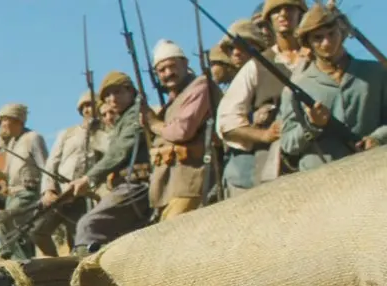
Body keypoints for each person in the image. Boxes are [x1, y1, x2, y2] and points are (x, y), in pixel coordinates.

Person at [278, 5, 387, 172]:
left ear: (341, 33)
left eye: (332, 34)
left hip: (371, 171)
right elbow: (288, 144)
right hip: (319, 178)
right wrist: (312, 125)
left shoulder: (376, 73)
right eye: (318, 37)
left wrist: (377, 138)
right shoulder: (297, 87)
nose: (327, 42)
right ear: (308, 42)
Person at [220, 0, 314, 188]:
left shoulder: (319, 56)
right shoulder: (256, 66)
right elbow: (227, 121)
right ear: (269, 19)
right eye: (276, 10)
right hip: (273, 164)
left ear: (301, 14)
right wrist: (264, 135)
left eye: (289, 8)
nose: (283, 14)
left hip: (317, 155)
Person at [68, 71, 153, 253]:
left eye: (117, 92)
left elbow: (119, 152)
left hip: (137, 186)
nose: (112, 99)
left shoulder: (136, 114)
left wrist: (88, 178)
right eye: (107, 95)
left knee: (88, 226)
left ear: (130, 91)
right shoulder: (123, 118)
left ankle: (87, 268)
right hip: (124, 185)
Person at [146, 40, 215, 219]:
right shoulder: (173, 99)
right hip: (172, 183)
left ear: (185, 64)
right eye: (162, 70)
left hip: (193, 179)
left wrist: (154, 124)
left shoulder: (200, 87)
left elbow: (182, 131)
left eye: (172, 66)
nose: (168, 73)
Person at [36, 92, 96, 257]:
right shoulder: (68, 133)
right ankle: (55, 263)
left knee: (78, 241)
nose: (87, 110)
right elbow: (51, 163)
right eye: (84, 107)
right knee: (38, 231)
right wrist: (48, 190)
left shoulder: (103, 134)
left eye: (91, 105)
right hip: (61, 194)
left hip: (84, 196)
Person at [0, 103, 48, 259]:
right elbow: (7, 176)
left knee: (11, 223)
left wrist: (47, 192)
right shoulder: (12, 143)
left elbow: (46, 167)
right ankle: (12, 262)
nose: (2, 125)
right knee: (15, 232)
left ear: (17, 120)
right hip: (12, 195)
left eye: (5, 120)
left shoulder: (33, 138)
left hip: (28, 194)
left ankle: (20, 263)